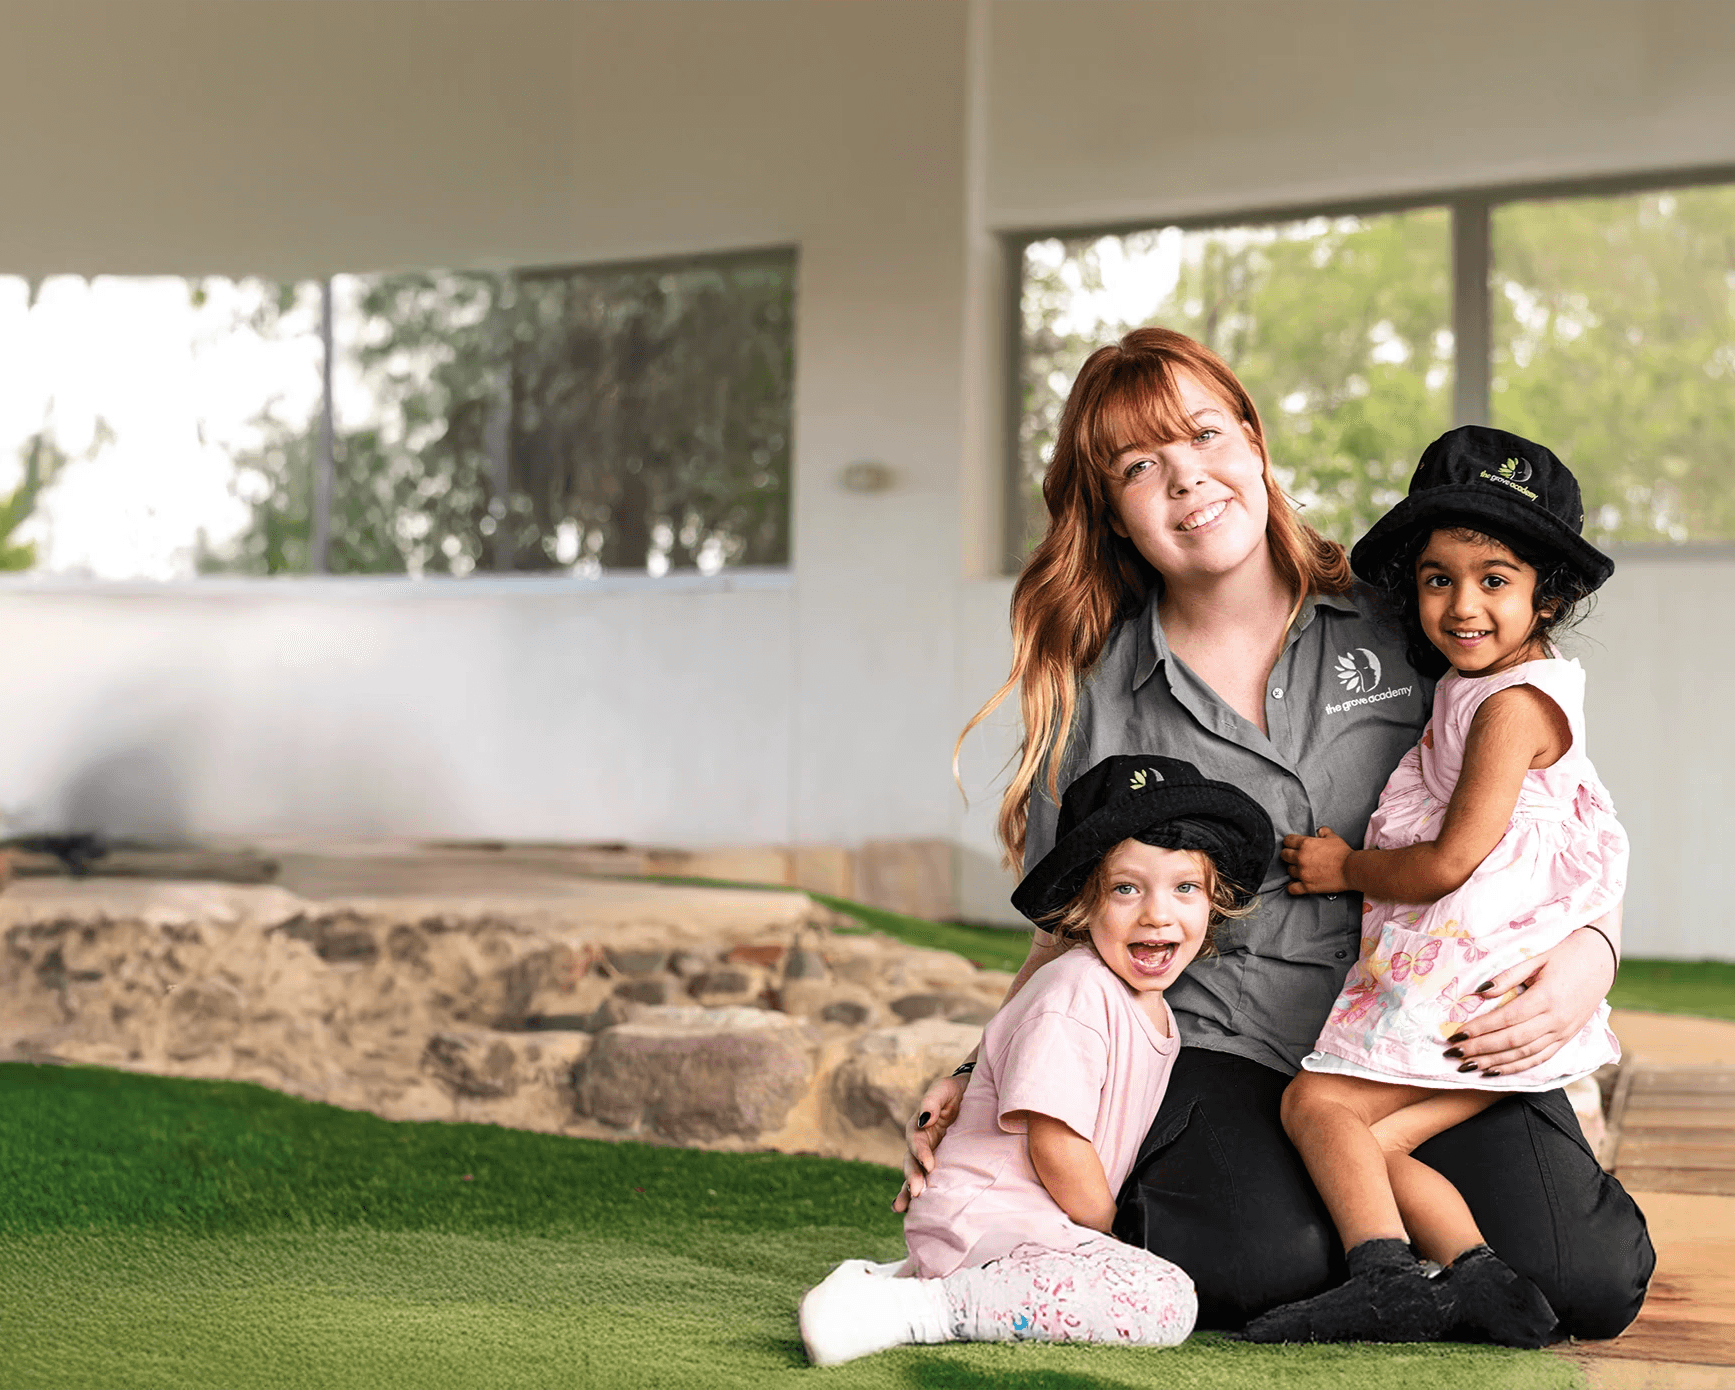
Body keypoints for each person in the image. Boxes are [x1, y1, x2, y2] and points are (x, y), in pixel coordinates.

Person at [902, 327, 1653, 1336]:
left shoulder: (1413, 614)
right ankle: (1354, 1251)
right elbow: (1065, 928)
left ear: (1254, 443)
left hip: (1420, 1025)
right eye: (1139, 467)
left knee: (1586, 1279)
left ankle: (1402, 1248)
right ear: (1112, 513)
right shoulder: (1097, 704)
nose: (1186, 481)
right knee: (1263, 1262)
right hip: (1228, 1042)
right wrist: (979, 1077)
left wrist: (1590, 955)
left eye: (1205, 435)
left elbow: (1563, 804)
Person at [1237, 427, 1627, 1346]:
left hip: (1465, 981)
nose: (1462, 605)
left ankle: (1380, 1275)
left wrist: (1343, 868)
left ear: (1549, 594)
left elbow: (1451, 861)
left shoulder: (1511, 705)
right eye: (1436, 578)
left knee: (1313, 1105)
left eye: (1495, 579)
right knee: (1366, 1147)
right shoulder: (1483, 686)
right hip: (1473, 984)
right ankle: (1478, 1278)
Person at [799, 754, 1273, 1365]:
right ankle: (919, 1311)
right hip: (995, 1219)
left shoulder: (1144, 1002)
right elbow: (1055, 1141)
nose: (1158, 913)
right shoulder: (1076, 993)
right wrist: (1105, 1232)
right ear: (1083, 905)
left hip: (1018, 1225)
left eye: (1184, 888)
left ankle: (895, 1282)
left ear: (1214, 901)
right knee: (1165, 1299)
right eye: (1126, 888)